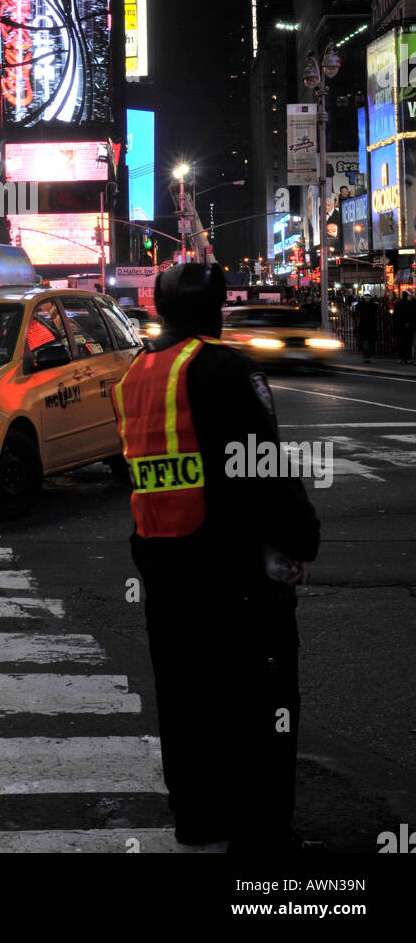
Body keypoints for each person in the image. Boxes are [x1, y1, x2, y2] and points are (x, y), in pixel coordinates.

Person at [111, 263, 320, 852]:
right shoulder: (225, 367)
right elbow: (262, 463)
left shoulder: (136, 376)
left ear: (159, 308)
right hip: (231, 566)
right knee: (260, 701)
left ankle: (199, 819)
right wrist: (300, 539)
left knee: (186, 696)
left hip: (162, 560)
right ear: (217, 307)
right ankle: (262, 836)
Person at [354, 293, 378, 362]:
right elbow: (357, 310)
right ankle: (366, 354)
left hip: (371, 324)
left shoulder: (373, 304)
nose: (367, 298)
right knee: (364, 340)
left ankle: (369, 353)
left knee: (370, 340)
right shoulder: (361, 304)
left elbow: (375, 310)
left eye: (368, 297)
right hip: (364, 324)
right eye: (366, 297)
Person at [392, 293, 413, 365]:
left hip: (400, 327)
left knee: (401, 343)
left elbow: (395, 315)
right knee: (407, 343)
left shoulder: (399, 304)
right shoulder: (409, 304)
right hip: (406, 327)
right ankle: (407, 358)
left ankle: (401, 357)